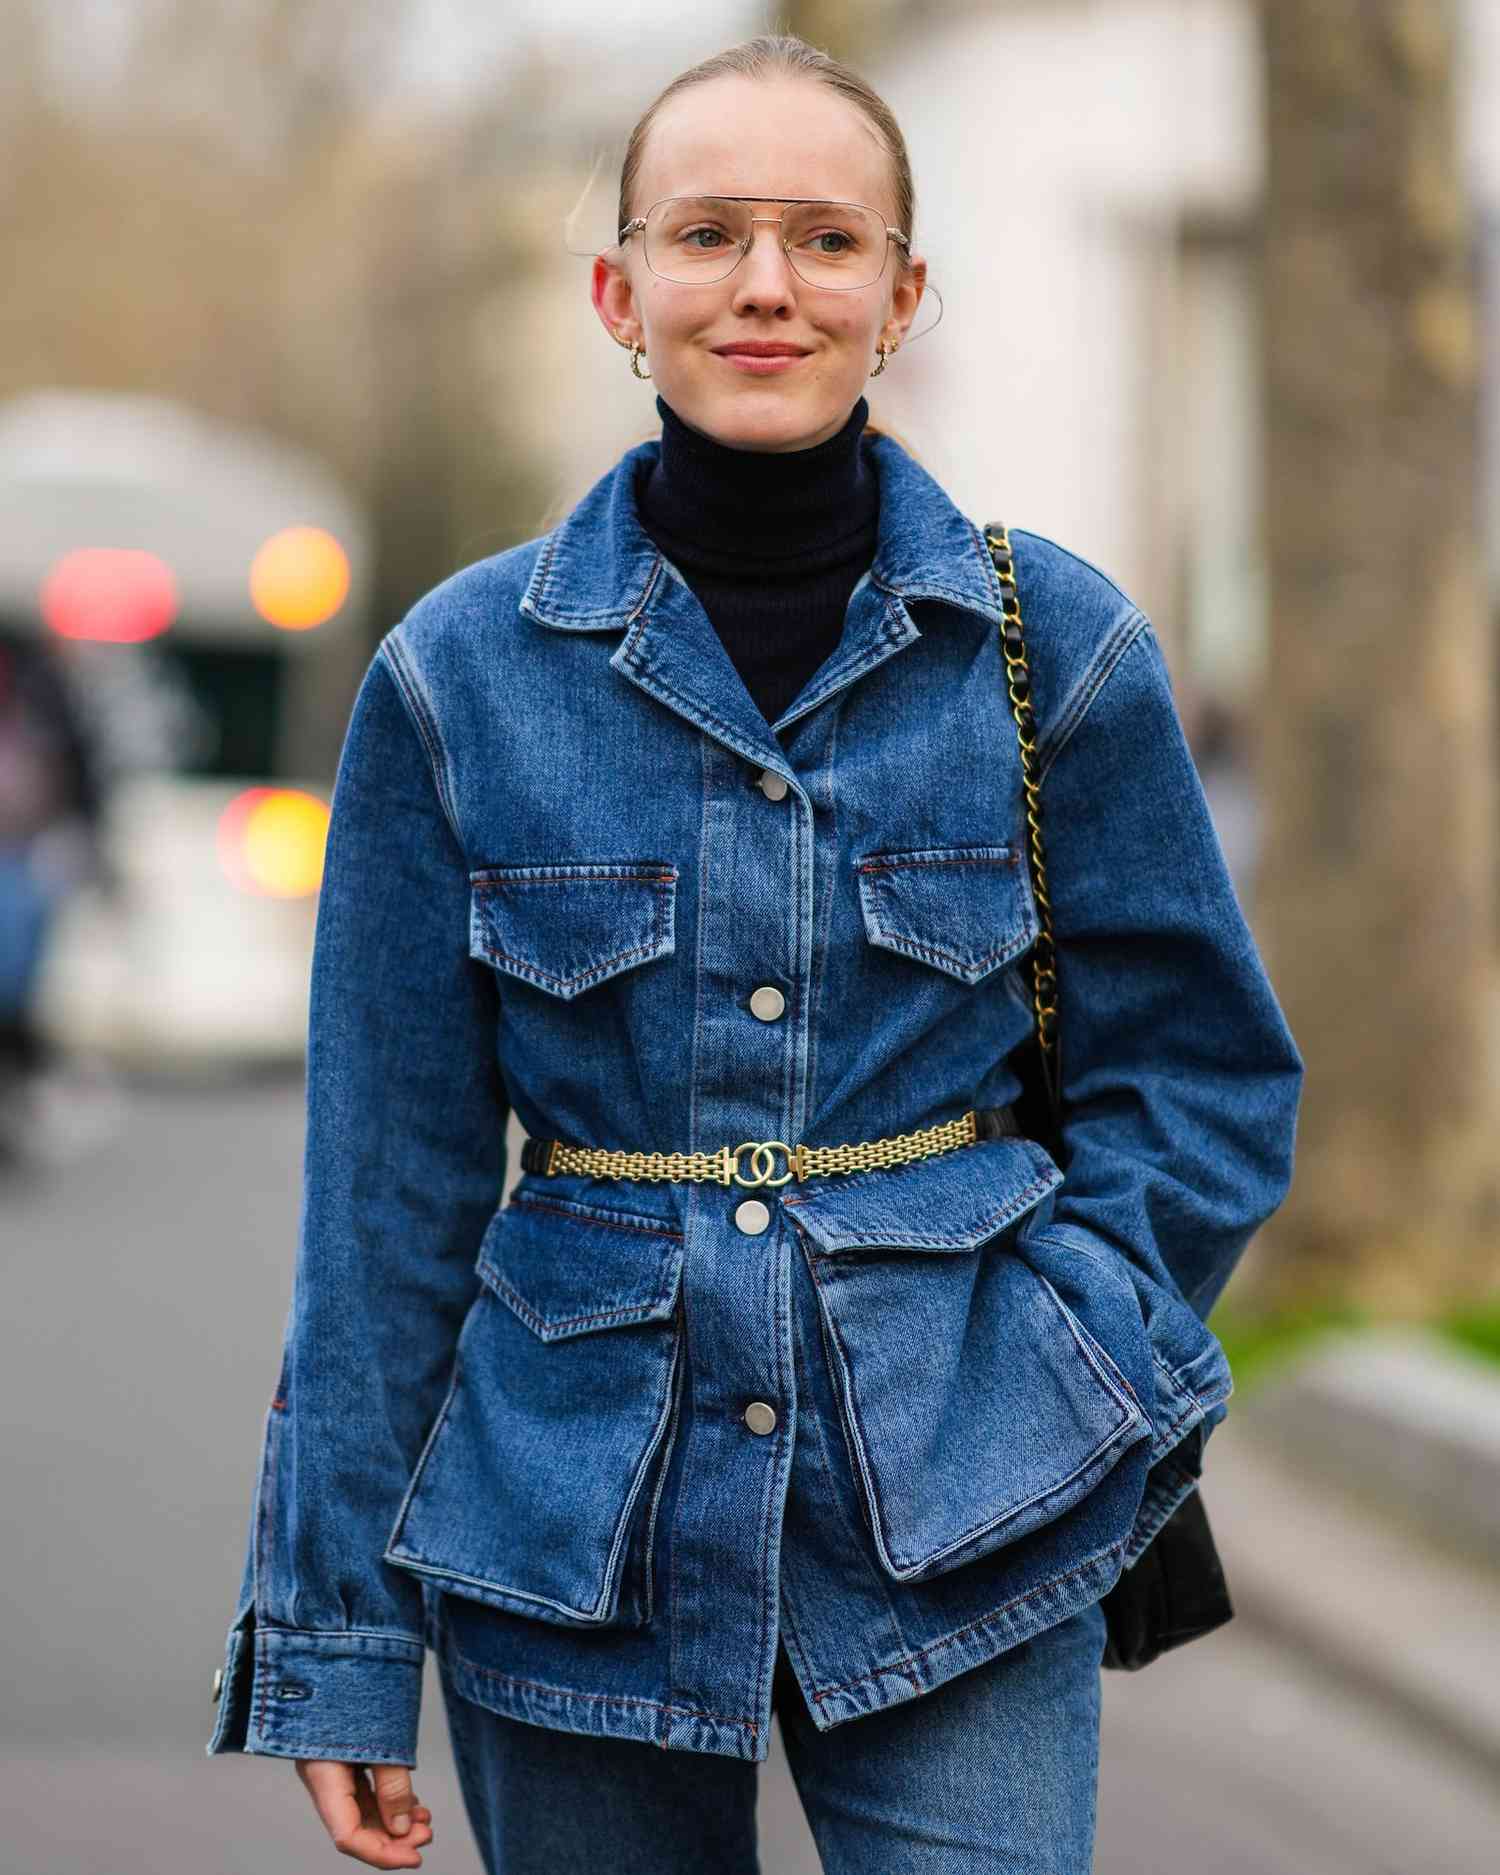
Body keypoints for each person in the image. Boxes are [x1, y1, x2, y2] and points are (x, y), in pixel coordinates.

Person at [204, 33, 1305, 1875]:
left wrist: (1077, 1351)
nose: (769, 286)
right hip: (566, 1538)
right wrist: (335, 1650)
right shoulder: (455, 683)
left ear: (905, 294)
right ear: (619, 293)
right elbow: (382, 1206)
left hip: (974, 1510)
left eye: (826, 238)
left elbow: (1200, 1081)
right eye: (709, 234)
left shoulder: (1056, 652)